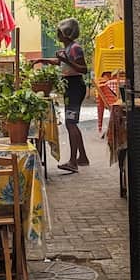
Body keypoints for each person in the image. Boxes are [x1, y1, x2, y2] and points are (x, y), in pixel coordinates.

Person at [35, 18, 89, 173]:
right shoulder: (69, 48)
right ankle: (82, 157)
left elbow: (83, 69)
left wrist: (66, 60)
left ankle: (73, 162)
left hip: (74, 86)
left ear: (66, 33)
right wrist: (43, 60)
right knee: (72, 123)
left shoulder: (75, 48)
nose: (57, 34)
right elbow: (61, 63)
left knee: (71, 123)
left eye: (59, 32)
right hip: (70, 86)